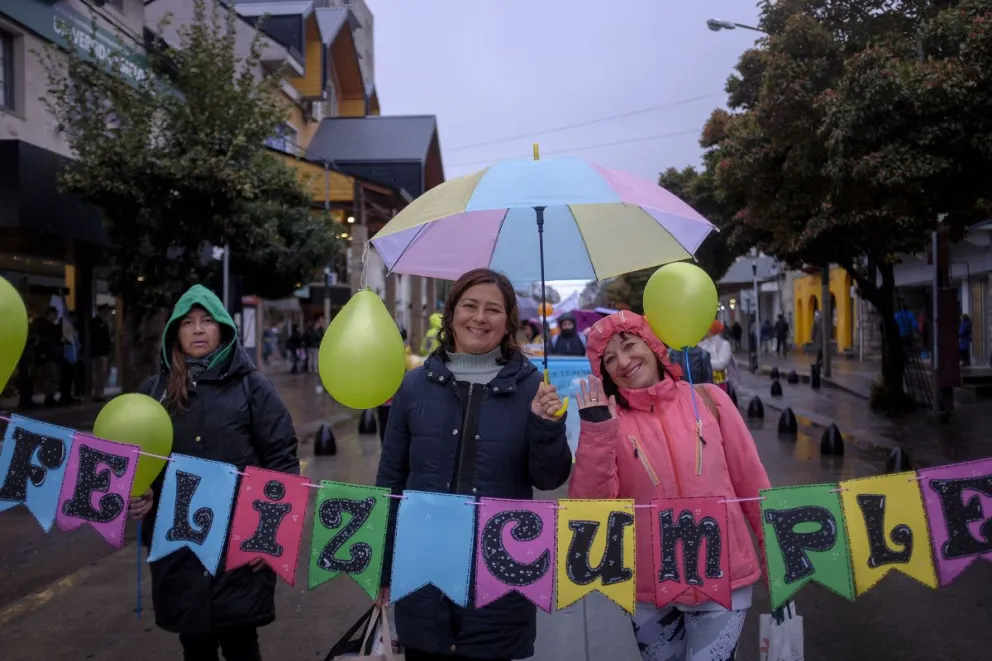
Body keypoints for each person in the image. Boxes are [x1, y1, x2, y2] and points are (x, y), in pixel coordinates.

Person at [376, 268, 572, 661]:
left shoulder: (534, 388)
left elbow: (549, 478)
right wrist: (381, 568)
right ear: (451, 315)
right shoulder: (413, 386)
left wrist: (545, 427)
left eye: (493, 309)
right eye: (470, 305)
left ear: (508, 322)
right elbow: (391, 482)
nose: (479, 318)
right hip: (423, 575)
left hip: (498, 582)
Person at [569, 311, 770, 661]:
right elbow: (592, 511)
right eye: (610, 359)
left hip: (723, 580)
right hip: (650, 593)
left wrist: (777, 562)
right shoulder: (608, 424)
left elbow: (754, 485)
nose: (624, 362)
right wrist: (598, 433)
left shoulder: (709, 400)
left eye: (630, 346)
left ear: (653, 345)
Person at [130, 284, 299, 661]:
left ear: (223, 327)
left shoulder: (253, 388)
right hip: (180, 546)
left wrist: (269, 535)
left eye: (207, 320)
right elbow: (141, 461)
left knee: (241, 641)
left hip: (239, 545)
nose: (198, 329)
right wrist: (141, 493)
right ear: (176, 332)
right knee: (195, 645)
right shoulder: (154, 392)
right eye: (188, 322)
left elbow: (282, 461)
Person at [699, 320, 734, 393]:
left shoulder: (724, 344)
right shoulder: (701, 344)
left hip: (720, 383)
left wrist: (705, 362)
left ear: (710, 330)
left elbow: (722, 364)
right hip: (704, 384)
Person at [90, 305, 113, 402]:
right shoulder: (96, 322)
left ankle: (100, 392)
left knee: (104, 373)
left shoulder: (105, 322)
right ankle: (97, 393)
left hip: (105, 352)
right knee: (99, 373)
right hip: (99, 352)